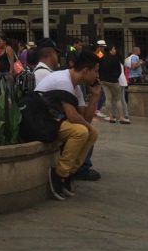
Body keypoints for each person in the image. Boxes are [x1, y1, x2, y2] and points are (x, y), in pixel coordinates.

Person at [36, 50, 101, 201]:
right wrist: (89, 127)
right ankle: (59, 174)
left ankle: (70, 172)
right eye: (96, 71)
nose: (97, 76)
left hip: (55, 120)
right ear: (86, 71)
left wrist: (95, 96)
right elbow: (73, 116)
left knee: (90, 132)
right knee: (81, 132)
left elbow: (85, 118)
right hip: (41, 121)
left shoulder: (76, 85)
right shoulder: (63, 81)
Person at [99, 45, 129, 123]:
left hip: (104, 80)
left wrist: (101, 78)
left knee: (108, 98)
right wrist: (115, 77)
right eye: (114, 49)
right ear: (110, 50)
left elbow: (99, 68)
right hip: (114, 81)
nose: (115, 50)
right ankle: (121, 117)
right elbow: (119, 71)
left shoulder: (101, 58)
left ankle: (111, 117)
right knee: (118, 99)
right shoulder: (115, 58)